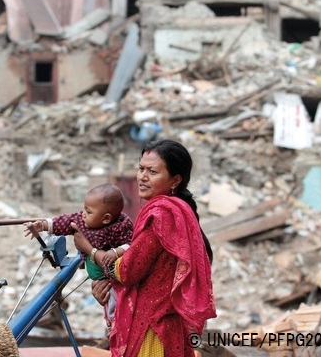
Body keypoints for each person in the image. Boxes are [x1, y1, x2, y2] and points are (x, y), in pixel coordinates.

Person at [72, 139, 216, 357]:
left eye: (152, 171)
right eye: (141, 169)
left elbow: (127, 271)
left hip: (153, 328)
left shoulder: (162, 216)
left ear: (175, 180)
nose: (142, 177)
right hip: (167, 324)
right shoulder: (178, 212)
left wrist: (90, 250)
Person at [23, 182, 133, 327]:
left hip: (114, 278)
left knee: (115, 301)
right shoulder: (82, 221)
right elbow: (64, 222)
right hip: (98, 277)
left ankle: (117, 325)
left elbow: (130, 244)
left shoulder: (121, 226)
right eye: (84, 209)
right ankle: (113, 324)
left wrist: (115, 252)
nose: (83, 214)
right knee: (108, 304)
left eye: (89, 212)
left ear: (106, 218)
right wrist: (42, 225)